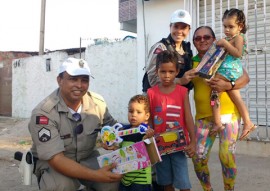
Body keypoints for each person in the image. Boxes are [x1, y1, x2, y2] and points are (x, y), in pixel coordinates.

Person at [28, 57, 122, 191]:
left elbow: (114, 128)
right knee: (60, 187)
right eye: (73, 79)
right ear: (59, 80)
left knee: (112, 181)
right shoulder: (44, 113)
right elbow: (56, 159)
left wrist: (114, 139)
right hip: (55, 163)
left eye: (84, 80)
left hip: (87, 158)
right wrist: (96, 175)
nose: (79, 85)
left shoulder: (97, 103)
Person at [183, 26, 250, 191]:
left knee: (226, 157)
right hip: (203, 118)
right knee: (198, 158)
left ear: (214, 40)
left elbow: (245, 78)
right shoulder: (191, 63)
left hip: (229, 116)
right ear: (194, 43)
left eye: (207, 37)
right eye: (198, 38)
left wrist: (228, 84)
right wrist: (182, 79)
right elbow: (180, 86)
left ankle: (229, 189)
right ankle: (208, 189)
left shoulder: (224, 56)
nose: (202, 40)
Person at [147, 50, 196, 191]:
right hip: (160, 148)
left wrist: (192, 142)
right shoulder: (151, 93)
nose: (167, 76)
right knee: (166, 183)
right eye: (163, 71)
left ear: (177, 72)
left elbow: (188, 117)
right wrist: (149, 142)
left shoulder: (182, 91)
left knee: (183, 183)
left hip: (180, 147)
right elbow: (149, 119)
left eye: (171, 71)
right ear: (157, 71)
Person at [210, 8, 256, 140]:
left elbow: (238, 53)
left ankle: (217, 123)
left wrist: (224, 43)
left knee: (214, 90)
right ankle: (248, 122)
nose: (227, 30)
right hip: (229, 70)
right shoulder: (230, 38)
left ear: (240, 26)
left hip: (230, 70)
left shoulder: (239, 38)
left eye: (231, 26)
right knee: (236, 97)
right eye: (225, 26)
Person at [102, 94, 155, 191]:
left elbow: (150, 152)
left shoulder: (146, 132)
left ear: (147, 116)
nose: (133, 114)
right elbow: (122, 152)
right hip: (124, 178)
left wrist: (149, 138)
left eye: (138, 112)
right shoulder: (123, 131)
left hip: (140, 180)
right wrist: (112, 147)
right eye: (131, 111)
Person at [143, 9, 193, 93]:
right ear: (170, 27)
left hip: (176, 99)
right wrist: (180, 81)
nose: (179, 31)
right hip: (156, 99)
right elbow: (153, 80)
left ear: (188, 30)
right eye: (176, 26)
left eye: (183, 27)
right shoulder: (160, 47)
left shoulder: (186, 49)